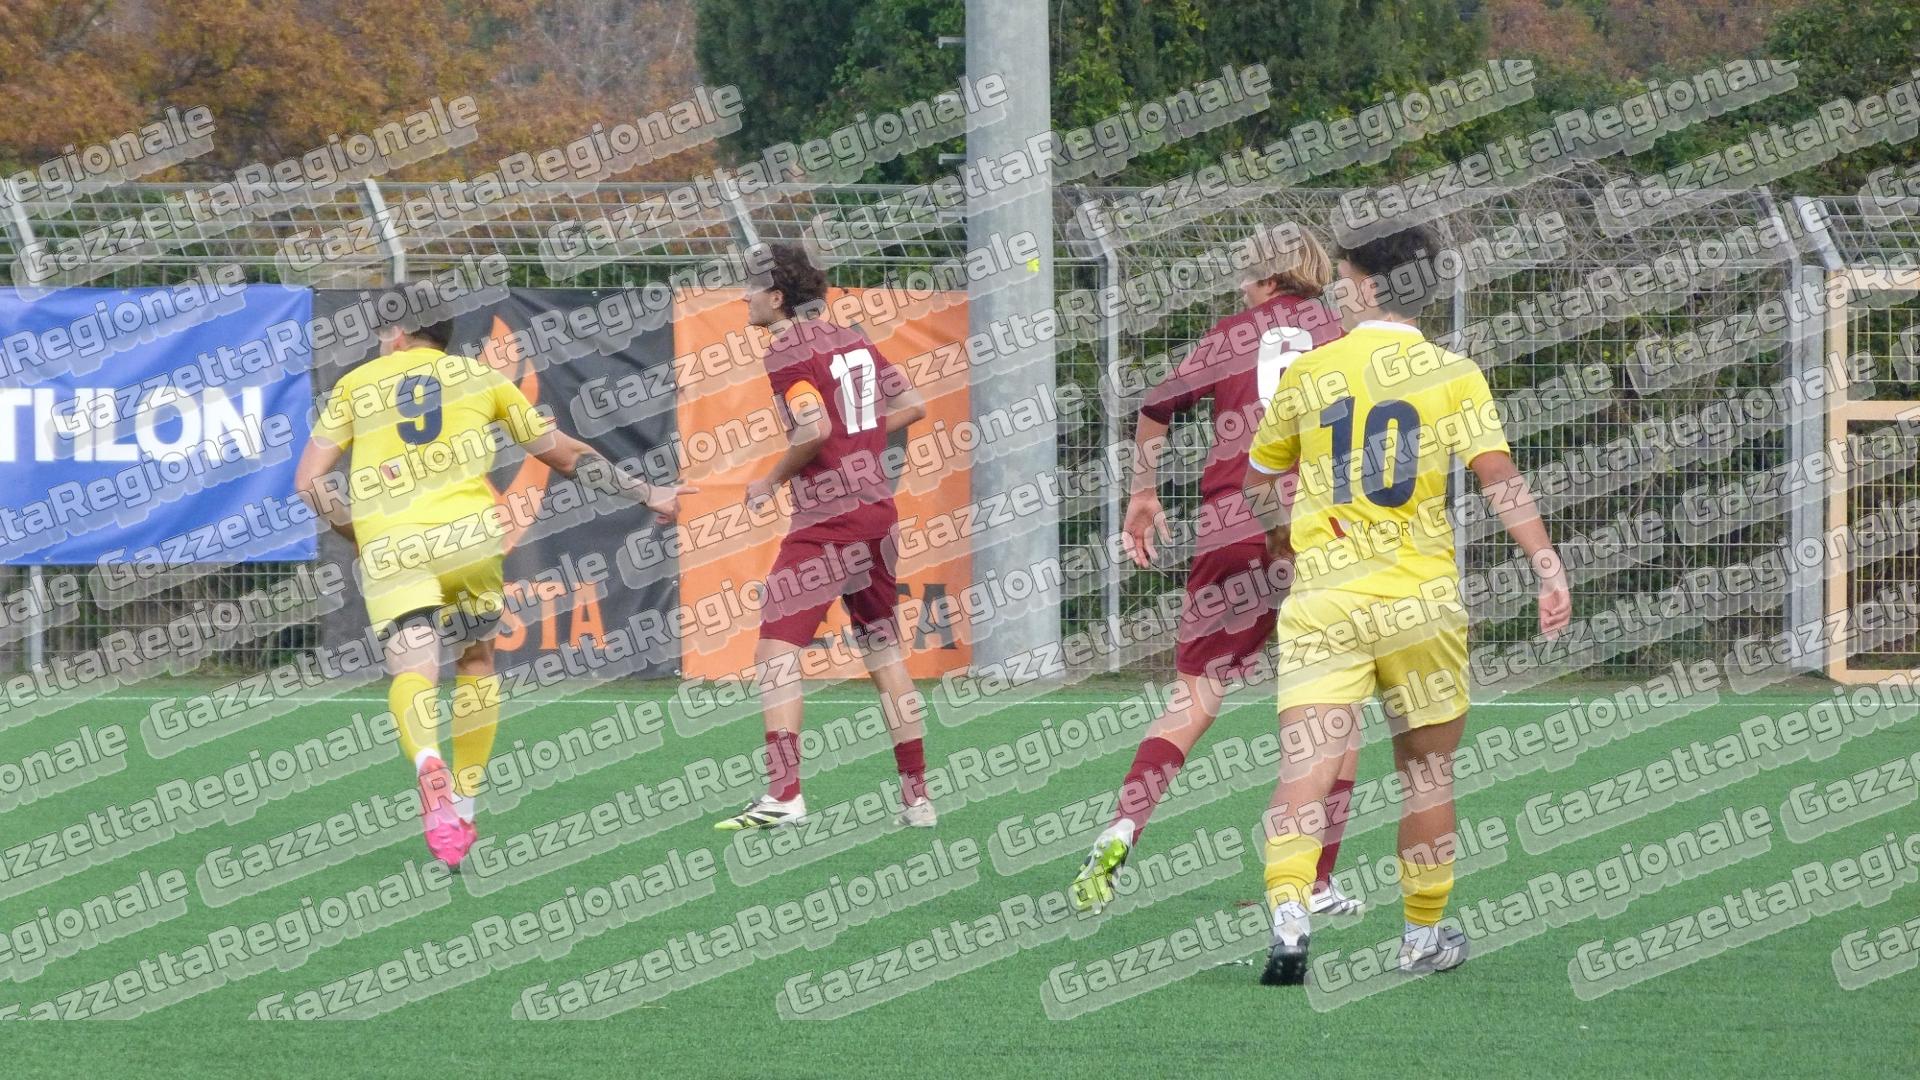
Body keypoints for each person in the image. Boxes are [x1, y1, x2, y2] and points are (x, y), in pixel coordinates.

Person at [1241, 223, 1571, 984]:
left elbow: (1258, 484)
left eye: (1344, 277)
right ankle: (1421, 936)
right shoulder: (1453, 373)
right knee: (1427, 773)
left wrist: (1285, 539)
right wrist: (1546, 565)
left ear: (1367, 286)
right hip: (1420, 600)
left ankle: (1289, 920)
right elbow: (1499, 478)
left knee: (1305, 766)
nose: (1336, 290)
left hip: (1326, 599)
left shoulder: (1312, 371)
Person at [294, 301, 689, 867]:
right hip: (470, 540)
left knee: (413, 669)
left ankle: (427, 760)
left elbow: (309, 482)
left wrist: (357, 532)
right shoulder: (480, 378)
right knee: (476, 661)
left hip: (394, 540)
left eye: (384, 333)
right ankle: (464, 805)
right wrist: (649, 493)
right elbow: (566, 455)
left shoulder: (356, 385)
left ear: (398, 334)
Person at [1070, 225, 1366, 916]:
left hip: (1232, 519)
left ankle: (1123, 827)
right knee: (1338, 710)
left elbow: (1156, 407)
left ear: (1266, 278)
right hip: (1316, 527)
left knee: (1195, 695)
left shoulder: (1232, 334)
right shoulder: (1342, 334)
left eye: (1245, 274)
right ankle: (1317, 881)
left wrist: (1143, 494)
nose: (1239, 285)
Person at [713, 243, 933, 831]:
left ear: (776, 298)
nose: (743, 298)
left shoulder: (786, 349)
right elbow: (913, 404)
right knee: (884, 654)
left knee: (775, 651)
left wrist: (770, 481)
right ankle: (917, 799)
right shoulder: (852, 339)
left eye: (751, 288)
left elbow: (811, 427)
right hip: (877, 513)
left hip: (827, 520)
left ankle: (784, 795)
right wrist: (859, 439)